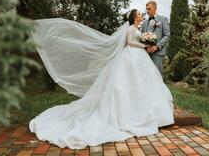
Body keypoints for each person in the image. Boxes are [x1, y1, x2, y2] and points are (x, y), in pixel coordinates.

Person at [29, 9, 174, 149]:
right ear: (134, 17)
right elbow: (129, 42)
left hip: (140, 57)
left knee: (142, 82)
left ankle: (150, 109)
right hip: (131, 56)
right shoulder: (130, 29)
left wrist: (146, 41)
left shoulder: (140, 28)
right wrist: (143, 44)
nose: (141, 15)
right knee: (126, 83)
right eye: (139, 14)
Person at [141, 1, 170, 76]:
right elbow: (142, 37)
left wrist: (157, 46)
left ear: (155, 8)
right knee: (146, 75)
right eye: (146, 9)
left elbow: (167, 35)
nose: (147, 11)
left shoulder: (163, 19)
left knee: (157, 75)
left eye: (149, 9)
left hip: (157, 53)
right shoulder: (144, 23)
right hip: (146, 53)